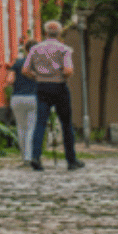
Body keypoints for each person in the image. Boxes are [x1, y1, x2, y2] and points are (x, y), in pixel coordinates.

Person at [26, 19, 85, 172]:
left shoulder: (35, 49)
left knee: (40, 123)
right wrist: (60, 75)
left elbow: (25, 70)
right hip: (59, 88)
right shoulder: (63, 49)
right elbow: (68, 70)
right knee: (66, 124)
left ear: (46, 33)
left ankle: (35, 157)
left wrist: (37, 76)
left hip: (42, 87)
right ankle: (71, 160)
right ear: (59, 34)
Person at [8, 40, 37, 167]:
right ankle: (29, 157)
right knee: (31, 128)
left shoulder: (18, 63)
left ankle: (23, 157)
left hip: (17, 98)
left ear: (25, 50)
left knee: (21, 128)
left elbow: (9, 79)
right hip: (33, 99)